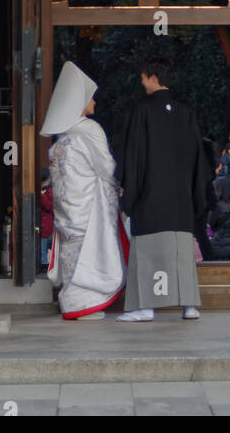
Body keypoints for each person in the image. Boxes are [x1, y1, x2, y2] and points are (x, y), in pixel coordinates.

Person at [117, 55, 209, 323]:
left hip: (150, 197)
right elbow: (199, 161)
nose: (142, 82)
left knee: (150, 252)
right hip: (182, 200)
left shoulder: (140, 110)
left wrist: (128, 190)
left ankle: (146, 308)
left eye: (144, 77)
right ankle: (189, 305)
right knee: (181, 252)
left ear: (153, 77)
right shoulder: (187, 112)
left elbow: (132, 155)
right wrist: (196, 195)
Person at [41, 61, 127, 320]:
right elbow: (106, 167)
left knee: (72, 255)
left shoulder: (61, 140)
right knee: (89, 256)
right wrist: (120, 185)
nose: (95, 103)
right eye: (91, 99)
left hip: (67, 209)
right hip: (89, 208)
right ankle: (85, 302)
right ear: (80, 103)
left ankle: (71, 301)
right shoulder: (90, 130)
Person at [39, 166, 54, 270]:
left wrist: (42, 196)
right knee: (42, 249)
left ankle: (45, 266)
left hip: (47, 227)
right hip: (43, 227)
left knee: (44, 249)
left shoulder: (49, 191)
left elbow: (49, 206)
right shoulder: (45, 190)